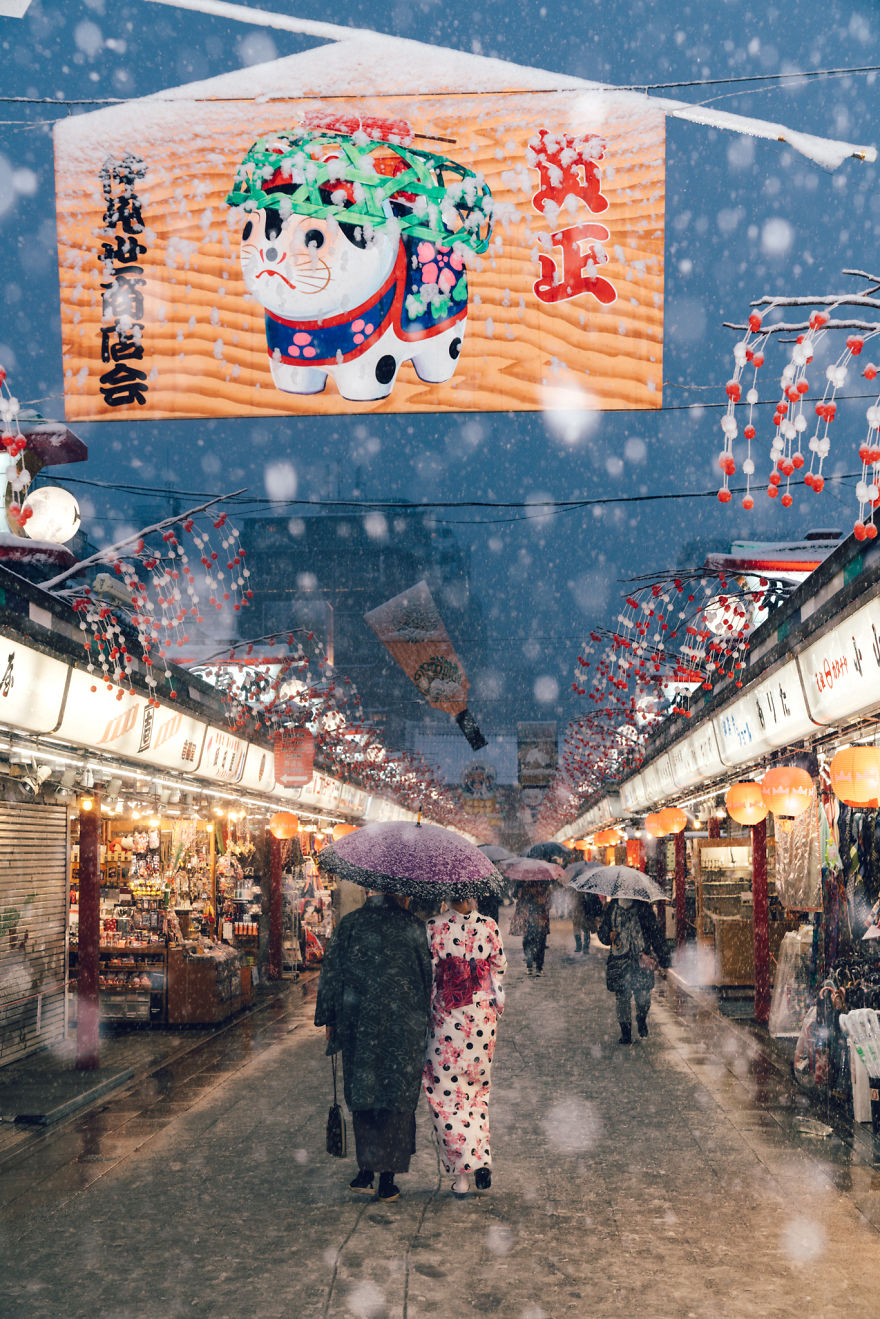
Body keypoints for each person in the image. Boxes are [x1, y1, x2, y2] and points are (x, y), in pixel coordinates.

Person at [314, 890, 432, 1202]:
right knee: (396, 1095)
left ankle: (366, 1172)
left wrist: (329, 1018)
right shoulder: (414, 927)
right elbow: (427, 977)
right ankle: (387, 1180)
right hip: (403, 1026)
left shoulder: (351, 924)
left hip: (359, 1023)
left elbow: (332, 972)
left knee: (365, 1092)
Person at [422, 897, 507, 1197]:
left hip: (448, 1019)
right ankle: (480, 1157)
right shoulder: (489, 926)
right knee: (476, 1092)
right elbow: (499, 966)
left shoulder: (433, 927)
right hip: (482, 1022)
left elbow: (429, 973)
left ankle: (462, 1174)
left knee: (444, 1094)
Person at [597, 897, 670, 1044]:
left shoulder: (643, 907)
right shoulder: (613, 906)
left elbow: (655, 932)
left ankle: (641, 1019)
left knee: (643, 996)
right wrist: (608, 935)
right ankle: (626, 1033)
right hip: (619, 959)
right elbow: (603, 932)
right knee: (622, 998)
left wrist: (663, 956)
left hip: (641, 959)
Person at [513, 879, 551, 976]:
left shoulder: (524, 884)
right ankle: (539, 967)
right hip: (541, 918)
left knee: (528, 940)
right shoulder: (544, 884)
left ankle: (530, 964)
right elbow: (548, 903)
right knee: (540, 942)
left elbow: (516, 897)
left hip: (529, 917)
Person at [572, 890, 602, 955]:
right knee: (579, 930)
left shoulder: (590, 892)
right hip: (579, 913)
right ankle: (580, 946)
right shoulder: (578, 892)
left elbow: (597, 903)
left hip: (586, 914)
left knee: (586, 930)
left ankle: (584, 947)